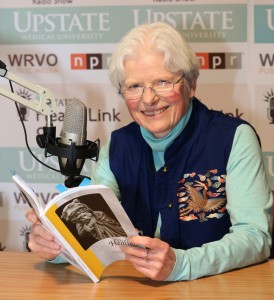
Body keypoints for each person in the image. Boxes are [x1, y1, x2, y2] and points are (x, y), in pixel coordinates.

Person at [26, 21, 273, 281]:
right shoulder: (118, 145)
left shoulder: (233, 138)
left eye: (163, 82)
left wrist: (183, 264)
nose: (148, 99)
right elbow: (91, 230)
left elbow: (256, 237)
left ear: (190, 85)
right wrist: (55, 245)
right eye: (134, 86)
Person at [61, 199, 126, 240]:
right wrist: (90, 224)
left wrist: (98, 221)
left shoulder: (97, 213)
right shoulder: (79, 223)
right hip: (101, 238)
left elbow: (111, 222)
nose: (81, 213)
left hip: (114, 231)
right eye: (77, 214)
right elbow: (82, 234)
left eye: (81, 210)